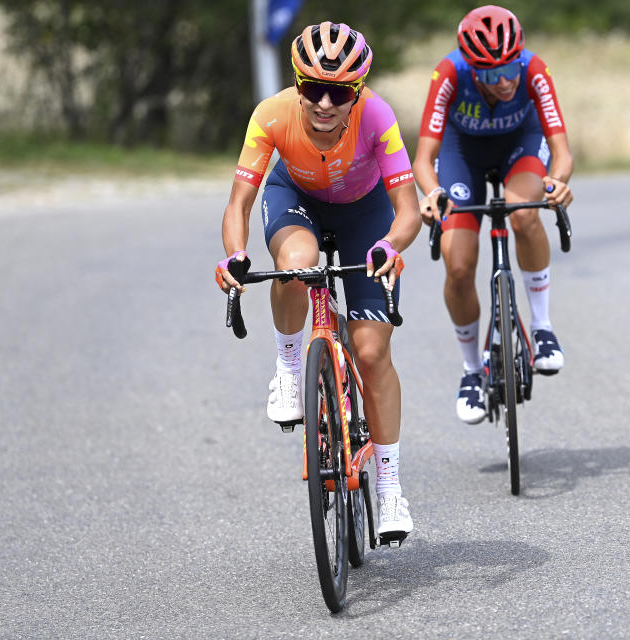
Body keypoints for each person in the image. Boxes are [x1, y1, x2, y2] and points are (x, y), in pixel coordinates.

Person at [215, 22, 421, 540]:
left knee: (372, 353)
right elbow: (239, 201)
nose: (325, 104)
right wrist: (235, 255)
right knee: (298, 261)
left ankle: (390, 488)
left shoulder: (376, 116)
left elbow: (408, 210)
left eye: (340, 92)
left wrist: (389, 246)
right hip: (297, 199)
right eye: (313, 89)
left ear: (358, 92)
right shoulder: (271, 115)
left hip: (364, 213)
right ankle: (289, 365)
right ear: (297, 84)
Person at [412, 5, 574, 424]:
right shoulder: (448, 74)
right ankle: (471, 371)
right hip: (460, 153)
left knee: (523, 213)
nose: (502, 82)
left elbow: (561, 151)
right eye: (487, 75)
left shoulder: (534, 68)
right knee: (459, 265)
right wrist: (432, 194)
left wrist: (556, 181)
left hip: (522, 144)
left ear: (519, 57)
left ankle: (541, 327)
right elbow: (424, 159)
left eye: (509, 71)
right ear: (470, 67)